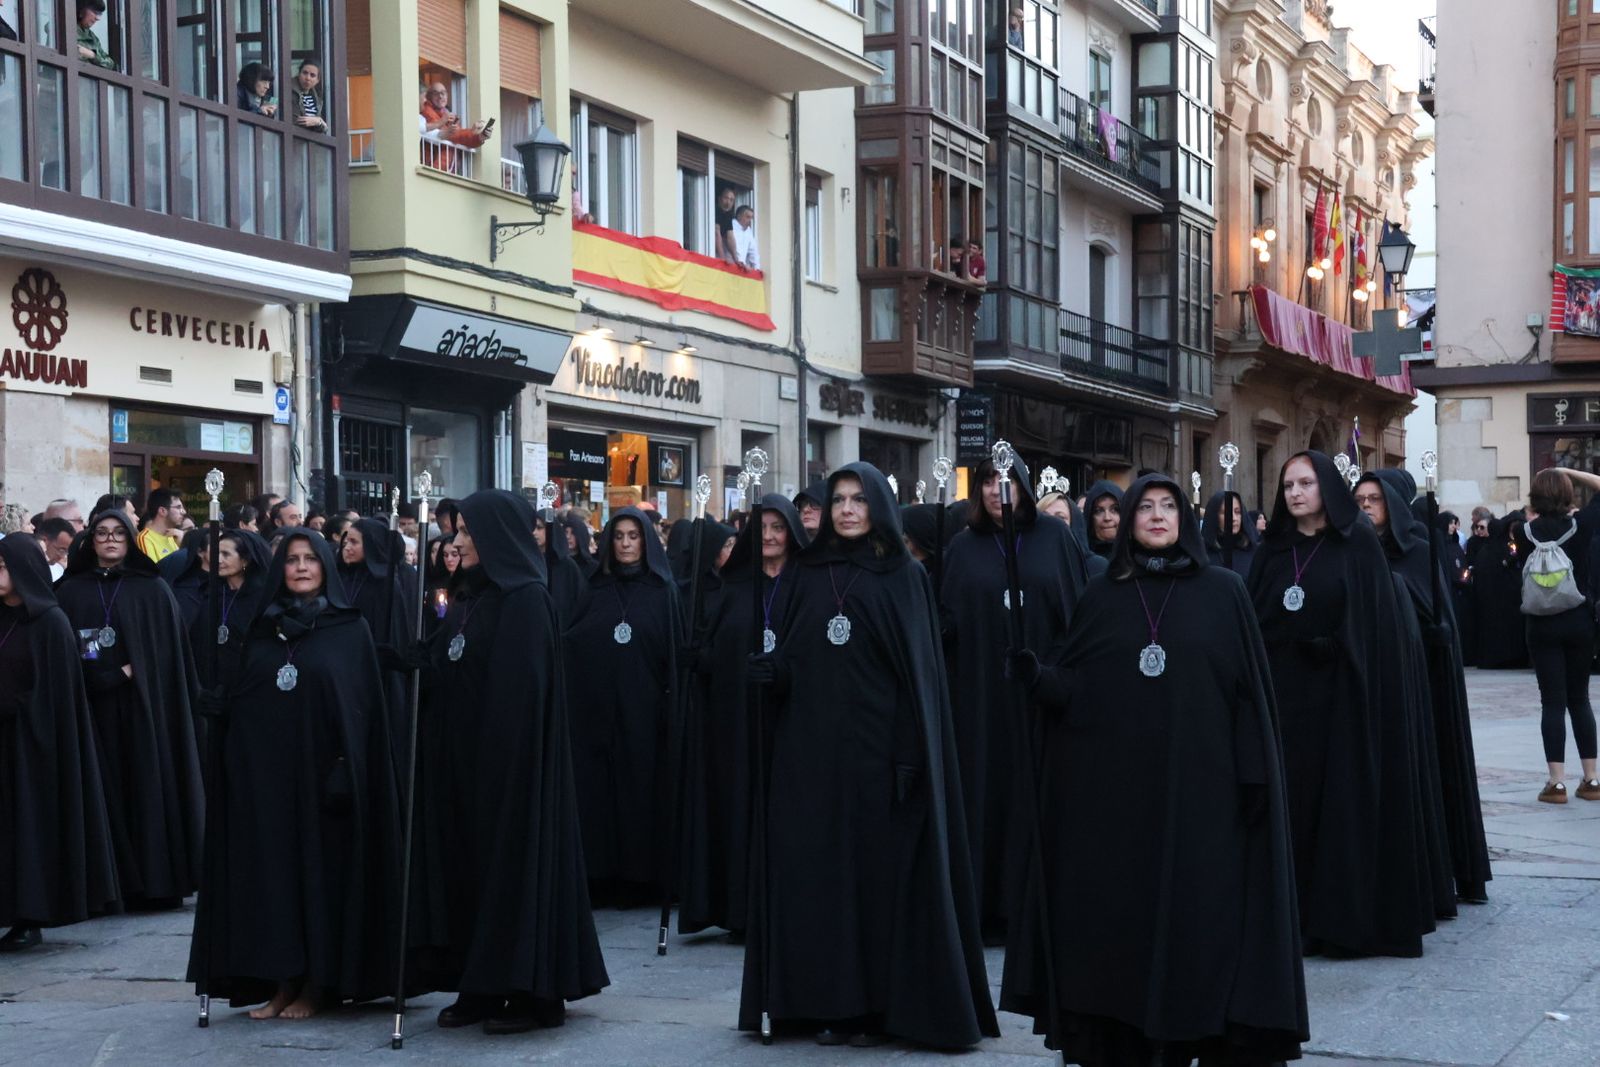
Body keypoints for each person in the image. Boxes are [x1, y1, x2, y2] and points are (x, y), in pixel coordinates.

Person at [1001, 473, 1307, 1066]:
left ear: (1184, 518)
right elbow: (1077, 686)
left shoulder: (1223, 592)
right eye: (1147, 508)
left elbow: (1248, 693)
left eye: (1169, 507)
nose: (1158, 517)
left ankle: (1197, 1028)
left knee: (1201, 919)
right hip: (1118, 800)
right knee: (1126, 923)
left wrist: (1253, 776)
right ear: (1127, 521)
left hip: (1205, 792)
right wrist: (1037, 677)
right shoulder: (1103, 593)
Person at [739, 463, 997, 1049]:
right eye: (838, 501)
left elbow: (918, 678)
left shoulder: (903, 577)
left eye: (858, 500)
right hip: (811, 760)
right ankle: (831, 1003)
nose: (847, 510)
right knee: (821, 883)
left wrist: (910, 752)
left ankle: (882, 1008)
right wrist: (770, 672)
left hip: (881, 759)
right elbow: (795, 659)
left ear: (877, 505)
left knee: (879, 888)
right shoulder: (805, 575)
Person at [409, 490, 609, 1033]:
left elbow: (521, 694)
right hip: (462, 766)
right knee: (468, 874)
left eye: (469, 533)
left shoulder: (525, 599)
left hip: (509, 769)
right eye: (458, 532)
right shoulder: (472, 597)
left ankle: (531, 994)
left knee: (512, 872)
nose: (457, 541)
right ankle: (479, 984)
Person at [187, 529, 400, 1020]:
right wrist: (222, 710)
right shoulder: (261, 630)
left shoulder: (349, 630)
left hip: (325, 783)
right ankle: (281, 981)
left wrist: (346, 764)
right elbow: (251, 697)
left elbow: (361, 709)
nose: (301, 568)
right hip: (268, 781)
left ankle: (317, 984)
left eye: (310, 559)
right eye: (292, 560)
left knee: (318, 879)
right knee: (274, 881)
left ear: (325, 566)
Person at [1246, 452, 1435, 958]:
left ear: (1325, 487)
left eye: (1305, 483)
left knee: (1337, 808)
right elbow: (1251, 621)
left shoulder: (1358, 547)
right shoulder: (1270, 552)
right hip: (1284, 702)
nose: (1295, 493)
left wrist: (1338, 646)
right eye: (1288, 485)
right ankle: (1288, 918)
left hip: (1341, 705)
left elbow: (1376, 631)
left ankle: (1336, 922)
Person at [939, 454, 1085, 939]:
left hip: (1040, 690)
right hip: (980, 697)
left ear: (1022, 485)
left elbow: (1074, 614)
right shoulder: (962, 547)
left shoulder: (1054, 538)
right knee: (987, 793)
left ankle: (1038, 905)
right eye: (985, 481)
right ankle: (986, 906)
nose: (995, 490)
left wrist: (1053, 675)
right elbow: (950, 623)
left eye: (1005, 480)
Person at [56, 509, 203, 910]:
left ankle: (151, 883)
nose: (109, 540)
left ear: (130, 539)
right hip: (89, 709)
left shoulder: (152, 590)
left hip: (144, 710)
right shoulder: (69, 592)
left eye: (118, 533)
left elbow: (167, 658)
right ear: (90, 540)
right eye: (101, 533)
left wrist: (135, 669)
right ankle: (102, 888)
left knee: (144, 786)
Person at [1358, 472, 1493, 904]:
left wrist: (1433, 633)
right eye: (1358, 498)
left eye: (1374, 499)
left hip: (1426, 681)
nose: (1364, 506)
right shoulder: (1351, 554)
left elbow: (1437, 612)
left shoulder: (1418, 552)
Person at [677, 495, 808, 938]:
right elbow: (718, 653)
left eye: (778, 528)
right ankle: (741, 909)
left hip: (794, 721)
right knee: (740, 808)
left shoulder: (807, 583)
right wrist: (701, 658)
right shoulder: (734, 588)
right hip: (738, 720)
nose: (770, 537)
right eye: (763, 528)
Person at [0, 535, 120, 953]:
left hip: (32, 746)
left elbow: (57, 697)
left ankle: (29, 914)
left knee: (28, 831)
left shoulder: (50, 622)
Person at [565, 507, 681, 902]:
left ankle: (641, 877)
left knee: (640, 792)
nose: (627, 544)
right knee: (599, 795)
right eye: (619, 537)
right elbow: (575, 640)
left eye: (634, 536)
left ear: (645, 541)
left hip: (644, 709)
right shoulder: (593, 587)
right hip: (596, 711)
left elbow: (672, 652)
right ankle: (602, 874)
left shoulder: (663, 591)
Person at [1513, 468, 1600, 803]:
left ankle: (1557, 783)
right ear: (1567, 494)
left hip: (1540, 624)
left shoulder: (1523, 531)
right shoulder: (1583, 526)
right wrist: (1569, 471)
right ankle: (1591, 780)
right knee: (1579, 700)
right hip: (1578, 620)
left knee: (1551, 702)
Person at [339, 519, 415, 778]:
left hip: (374, 676)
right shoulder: (339, 579)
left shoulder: (385, 585)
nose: (346, 547)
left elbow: (395, 637)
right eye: (345, 541)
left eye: (354, 542)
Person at [419, 81, 492, 173]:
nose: (440, 96)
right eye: (436, 93)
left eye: (443, 93)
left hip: (446, 170)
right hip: (432, 168)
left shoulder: (446, 113)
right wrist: (475, 134)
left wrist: (478, 136)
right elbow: (452, 135)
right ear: (428, 96)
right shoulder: (427, 112)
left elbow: (459, 135)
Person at [1201, 489, 1259, 578]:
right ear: (1215, 516)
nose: (1233, 518)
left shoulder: (1255, 553)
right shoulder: (1203, 555)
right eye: (1226, 512)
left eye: (1237, 512)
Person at [135, 488, 186, 563]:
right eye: (178, 507)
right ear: (162, 511)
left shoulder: (175, 537)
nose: (184, 512)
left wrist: (184, 545)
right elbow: (152, 572)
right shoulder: (145, 538)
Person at [1083, 480, 1123, 561]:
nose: (1107, 518)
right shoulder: (1079, 559)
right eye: (1098, 511)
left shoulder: (1139, 558)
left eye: (1114, 509)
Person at [289, 58, 328, 132]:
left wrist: (319, 122)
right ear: (299, 73)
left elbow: (324, 129)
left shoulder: (317, 98)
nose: (307, 78)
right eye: (305, 73)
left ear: (317, 80)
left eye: (312, 75)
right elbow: (296, 120)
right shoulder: (288, 89)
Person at [76, 0, 113, 68]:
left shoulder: (92, 37)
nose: (97, 18)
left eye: (99, 14)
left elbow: (110, 64)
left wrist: (92, 55)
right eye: (95, 12)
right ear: (82, 10)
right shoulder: (64, 29)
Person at [731, 205, 761, 271]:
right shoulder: (731, 226)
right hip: (729, 266)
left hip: (741, 268)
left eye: (751, 218)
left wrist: (757, 268)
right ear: (739, 216)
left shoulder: (748, 231)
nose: (750, 220)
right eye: (747, 217)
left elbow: (753, 250)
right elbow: (735, 248)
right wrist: (742, 264)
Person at [715, 186, 739, 263]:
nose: (728, 202)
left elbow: (730, 237)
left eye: (731, 200)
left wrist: (736, 260)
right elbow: (716, 234)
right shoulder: (715, 211)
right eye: (726, 198)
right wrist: (722, 259)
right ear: (719, 198)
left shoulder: (728, 215)